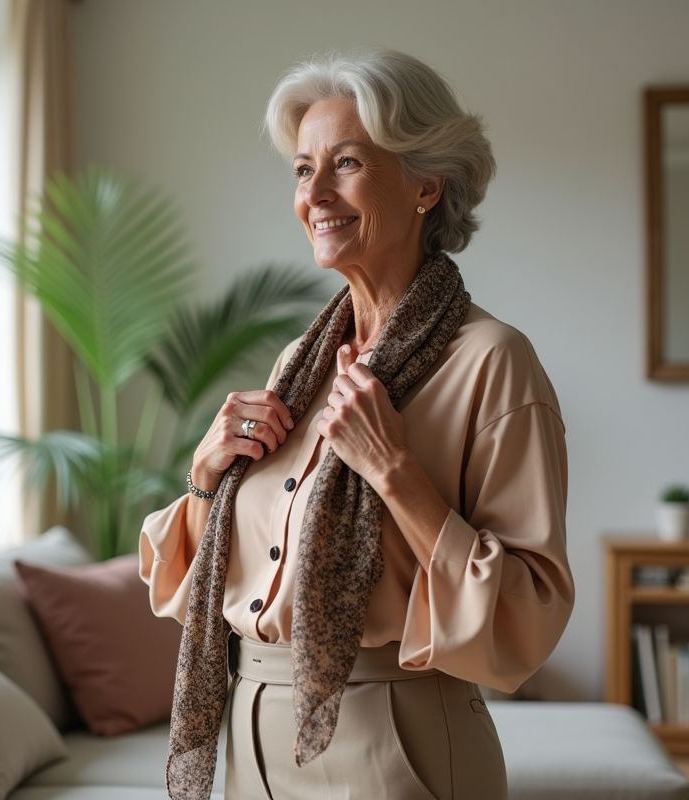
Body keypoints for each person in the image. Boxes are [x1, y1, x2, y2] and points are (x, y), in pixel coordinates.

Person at [140, 49, 574, 800]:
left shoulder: (494, 362)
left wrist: (395, 473)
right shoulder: (295, 366)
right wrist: (206, 481)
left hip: (391, 741)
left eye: (345, 163)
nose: (317, 193)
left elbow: (528, 620)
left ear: (425, 187)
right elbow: (205, 587)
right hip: (249, 744)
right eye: (304, 169)